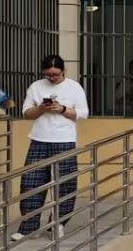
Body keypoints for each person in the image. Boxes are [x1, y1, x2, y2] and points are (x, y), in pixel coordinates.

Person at [15, 54, 89, 241]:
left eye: (55, 74)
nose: (52, 78)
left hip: (64, 140)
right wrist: (41, 109)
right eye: (48, 75)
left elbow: (83, 113)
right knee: (31, 183)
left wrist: (62, 109)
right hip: (39, 139)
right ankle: (29, 227)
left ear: (63, 71)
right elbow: (26, 113)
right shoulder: (36, 86)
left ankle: (58, 224)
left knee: (65, 184)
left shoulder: (74, 87)